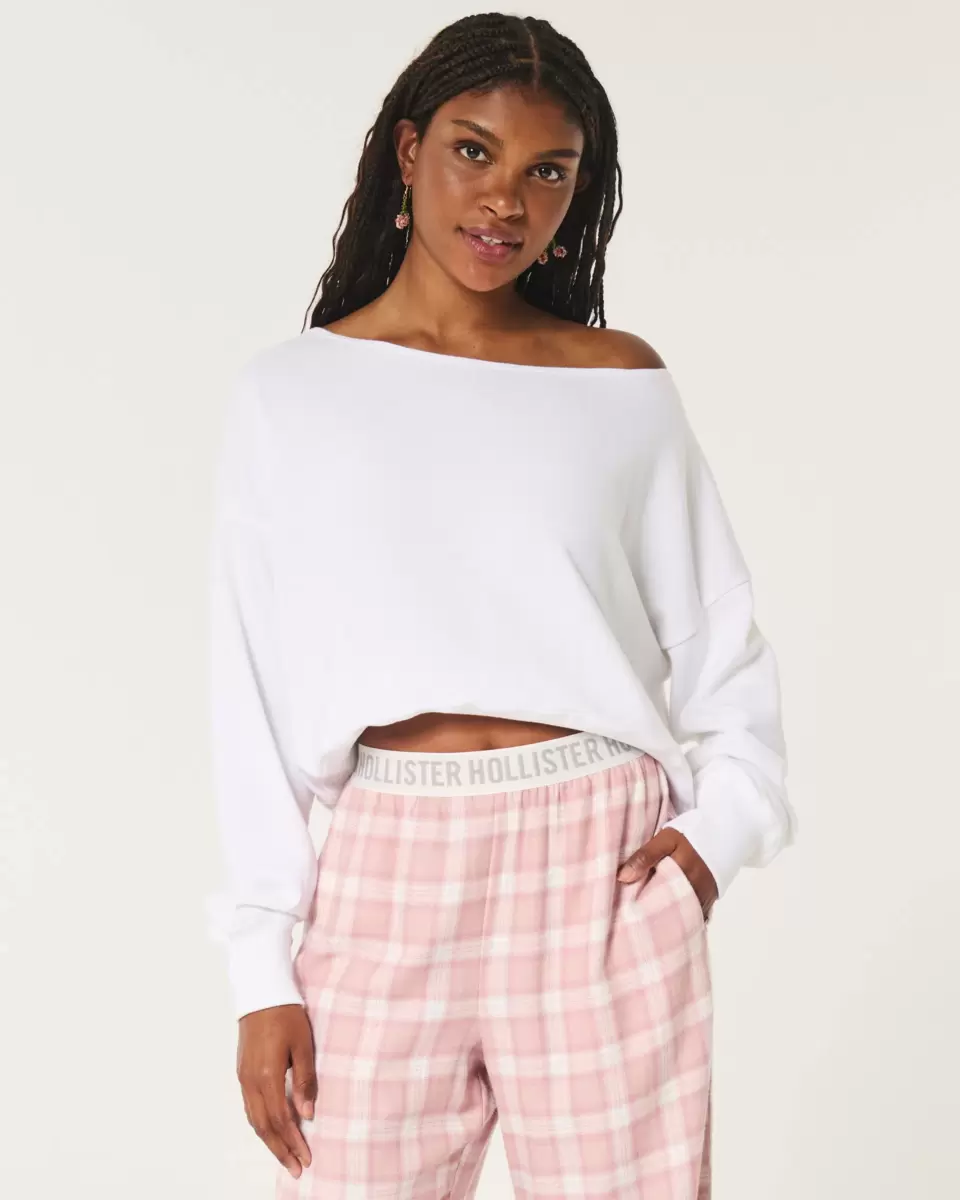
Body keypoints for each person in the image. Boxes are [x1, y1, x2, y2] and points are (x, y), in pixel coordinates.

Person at [206, 13, 797, 1199]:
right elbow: (250, 686)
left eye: (548, 171)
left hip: (599, 866)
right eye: (474, 152)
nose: (505, 200)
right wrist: (260, 969)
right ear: (409, 150)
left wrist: (712, 845)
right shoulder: (293, 394)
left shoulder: (618, 386)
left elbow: (721, 647)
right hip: (386, 866)